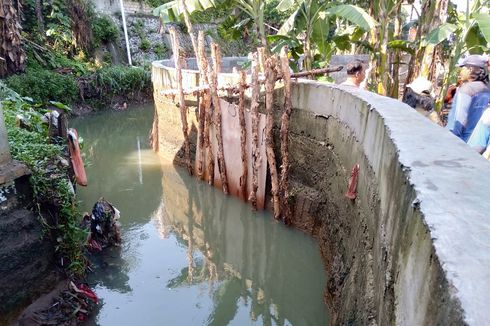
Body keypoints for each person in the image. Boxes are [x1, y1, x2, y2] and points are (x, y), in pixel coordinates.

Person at [446, 54, 490, 142]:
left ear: (470, 69)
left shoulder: (467, 89)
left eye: (463, 68)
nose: (460, 72)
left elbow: (458, 121)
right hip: (475, 142)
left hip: (460, 140)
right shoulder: (486, 89)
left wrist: (450, 141)